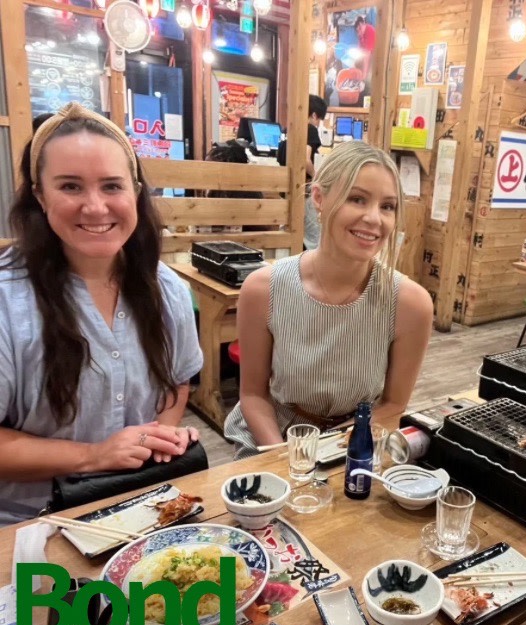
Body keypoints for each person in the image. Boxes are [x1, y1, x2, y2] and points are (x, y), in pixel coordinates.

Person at [0, 102, 203, 526]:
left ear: (136, 191)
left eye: (112, 186)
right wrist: (94, 456)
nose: (95, 207)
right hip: (32, 526)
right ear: (39, 195)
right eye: (70, 187)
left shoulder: (168, 288)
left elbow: (177, 380)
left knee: (231, 566)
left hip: (145, 510)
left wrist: (160, 435)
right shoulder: (7, 300)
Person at [224, 141, 433, 457]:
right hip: (275, 438)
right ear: (319, 198)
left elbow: (393, 404)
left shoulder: (410, 304)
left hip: (357, 438)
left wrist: (332, 450)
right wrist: (287, 458)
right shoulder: (263, 289)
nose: (374, 218)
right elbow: (253, 395)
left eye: (387, 206)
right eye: (357, 199)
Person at [277, 95, 327, 250]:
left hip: (285, 191)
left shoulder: (287, 130)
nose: (318, 123)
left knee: (287, 234)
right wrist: (317, 176)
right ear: (314, 115)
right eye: (319, 119)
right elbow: (304, 159)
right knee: (315, 238)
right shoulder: (309, 129)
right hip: (303, 191)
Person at [354, 15, 376, 79]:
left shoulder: (370, 31)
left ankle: (366, 78)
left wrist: (364, 75)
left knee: (368, 76)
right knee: (357, 63)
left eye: (360, 29)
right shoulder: (361, 33)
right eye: (357, 30)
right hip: (368, 53)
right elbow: (360, 48)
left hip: (375, 55)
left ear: (363, 24)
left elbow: (367, 57)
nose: (359, 32)